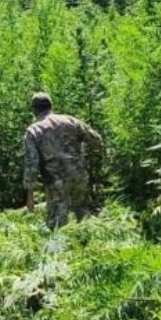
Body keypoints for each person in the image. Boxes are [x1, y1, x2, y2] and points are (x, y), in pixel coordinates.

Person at [23, 93, 103, 229]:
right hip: (79, 176)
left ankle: (63, 242)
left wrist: (30, 197)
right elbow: (97, 141)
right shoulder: (70, 120)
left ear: (34, 110)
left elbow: (32, 164)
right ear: (51, 106)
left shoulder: (33, 131)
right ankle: (88, 239)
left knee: (57, 226)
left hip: (56, 182)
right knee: (83, 217)